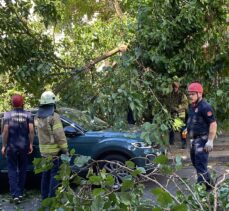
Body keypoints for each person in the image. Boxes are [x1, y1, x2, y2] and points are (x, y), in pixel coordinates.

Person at [1, 94, 34, 203]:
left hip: (12, 146)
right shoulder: (28, 114)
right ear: (22, 102)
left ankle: (15, 194)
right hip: (24, 146)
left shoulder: (7, 115)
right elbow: (31, 130)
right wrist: (31, 143)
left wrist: (4, 145)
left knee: (12, 169)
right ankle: (20, 193)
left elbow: (5, 131)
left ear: (12, 103)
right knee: (23, 169)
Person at [36, 91, 68, 199]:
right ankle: (52, 198)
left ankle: (44, 197)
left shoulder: (38, 116)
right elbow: (59, 135)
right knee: (54, 175)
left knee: (45, 175)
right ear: (53, 103)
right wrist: (65, 150)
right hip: (54, 153)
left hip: (44, 153)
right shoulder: (54, 116)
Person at [187, 82, 217, 191]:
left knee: (200, 165)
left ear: (199, 94)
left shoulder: (205, 107)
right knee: (196, 163)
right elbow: (192, 120)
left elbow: (213, 124)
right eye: (189, 94)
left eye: (192, 94)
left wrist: (210, 141)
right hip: (194, 140)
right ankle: (211, 185)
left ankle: (201, 191)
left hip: (202, 140)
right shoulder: (192, 105)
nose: (190, 96)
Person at [167, 82, 188, 148]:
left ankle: (184, 142)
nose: (174, 88)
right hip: (172, 113)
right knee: (170, 128)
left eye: (176, 87)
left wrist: (176, 108)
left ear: (178, 87)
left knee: (183, 129)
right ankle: (171, 142)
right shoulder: (170, 95)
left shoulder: (182, 95)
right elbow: (168, 103)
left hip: (180, 114)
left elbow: (185, 105)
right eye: (173, 87)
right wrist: (170, 108)